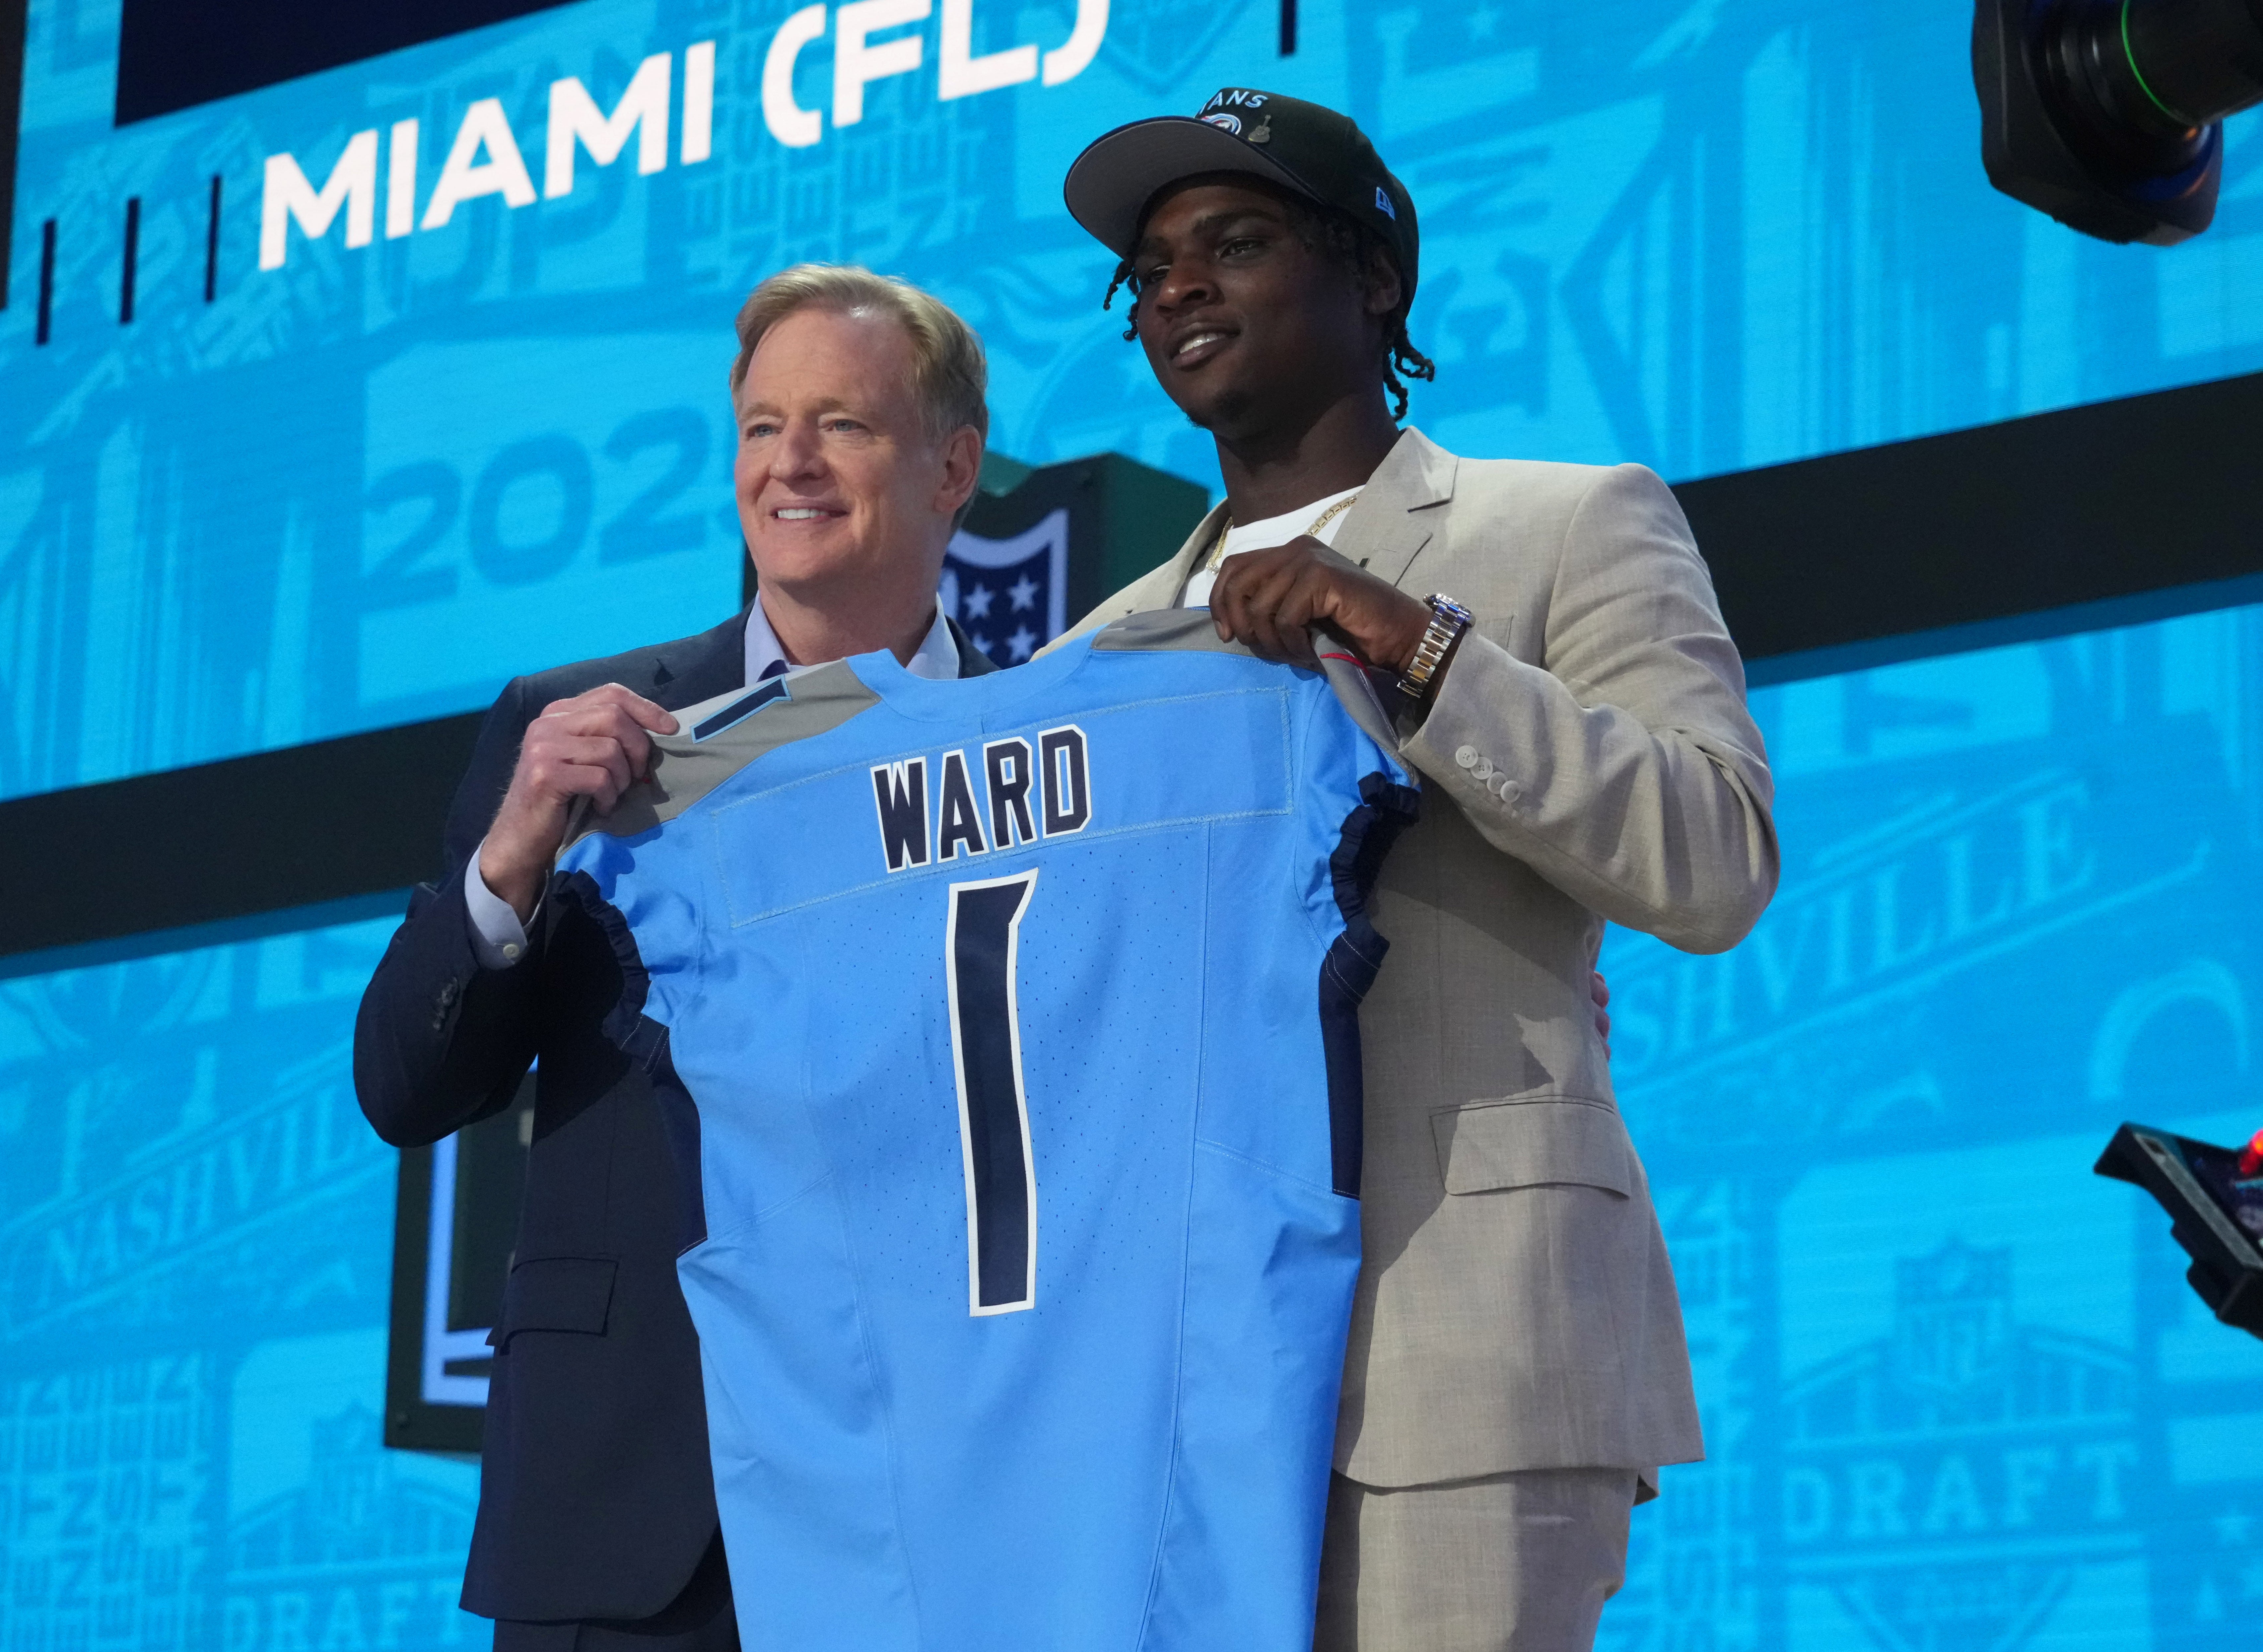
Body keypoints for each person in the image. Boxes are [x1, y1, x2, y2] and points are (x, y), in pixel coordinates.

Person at [1051, 90, 1781, 1652]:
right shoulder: (1092, 654)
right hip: (1174, 1386)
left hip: (1463, 1340)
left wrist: (1419, 646)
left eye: (1232, 243)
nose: (1178, 287)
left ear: (1373, 277)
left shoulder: (1567, 523)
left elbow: (1713, 858)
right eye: (1150, 272)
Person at [353, 264, 996, 1652]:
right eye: (763, 427)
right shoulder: (571, 733)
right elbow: (407, 1087)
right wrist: (513, 854)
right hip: (632, 1507)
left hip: (947, 1500)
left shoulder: (1045, 747)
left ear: (953, 467)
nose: (791, 464)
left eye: (843, 424)